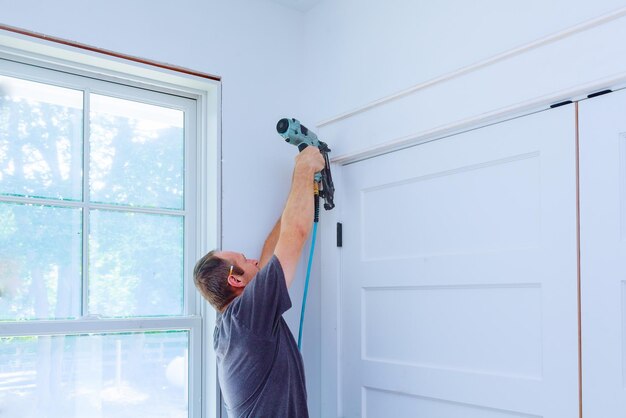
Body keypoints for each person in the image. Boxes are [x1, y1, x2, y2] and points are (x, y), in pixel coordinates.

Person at [193, 146, 325, 417]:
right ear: (235, 279)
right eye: (244, 259)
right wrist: (304, 166)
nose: (253, 260)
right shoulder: (246, 319)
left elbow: (271, 250)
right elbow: (296, 233)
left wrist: (299, 186)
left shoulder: (233, 322)